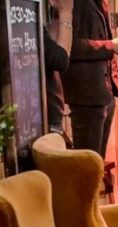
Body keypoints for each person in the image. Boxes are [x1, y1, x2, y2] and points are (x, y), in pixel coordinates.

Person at [62, 0, 118, 159]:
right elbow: (68, 45)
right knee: (88, 164)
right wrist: (110, 46)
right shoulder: (77, 3)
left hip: (104, 93)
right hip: (87, 97)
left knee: (98, 163)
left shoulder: (100, 3)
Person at [45, 0, 73, 135]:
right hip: (44, 116)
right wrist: (65, 13)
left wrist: (58, 13)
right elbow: (60, 60)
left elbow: (52, 49)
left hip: (52, 113)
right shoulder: (25, 14)